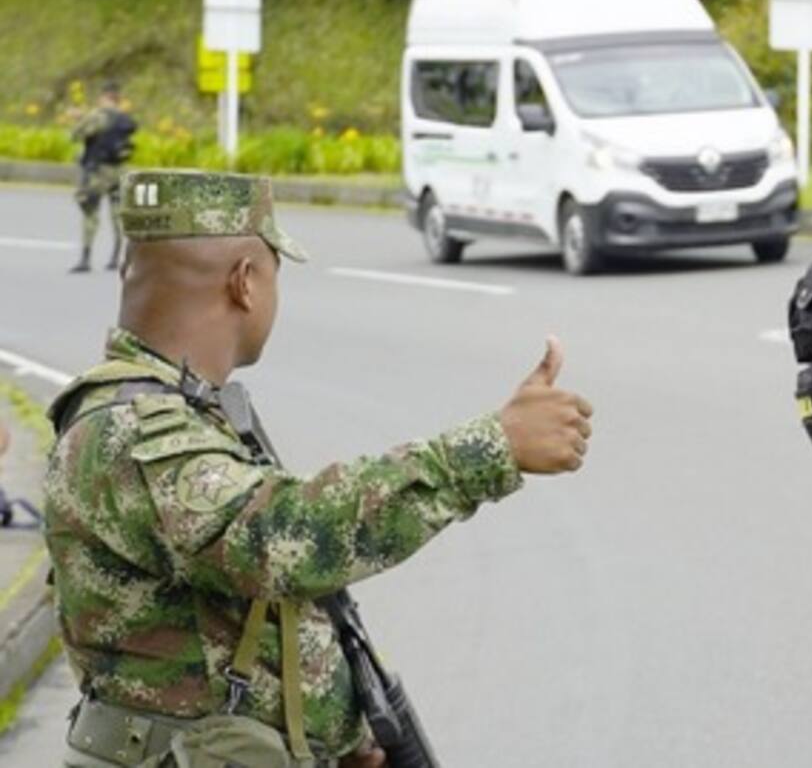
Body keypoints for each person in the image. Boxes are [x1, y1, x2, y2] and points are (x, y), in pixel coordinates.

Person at [44, 170, 595, 767]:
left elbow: (240, 613)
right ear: (246, 283)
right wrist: (490, 449)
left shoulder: (181, 413)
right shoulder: (131, 433)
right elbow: (277, 538)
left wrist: (339, 734)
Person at [69, 80, 138, 273]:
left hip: (98, 171)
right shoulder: (124, 118)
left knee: (90, 213)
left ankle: (85, 257)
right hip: (119, 172)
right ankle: (116, 257)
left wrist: (79, 118)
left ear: (104, 97)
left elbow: (75, 135)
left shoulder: (97, 116)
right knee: (118, 214)